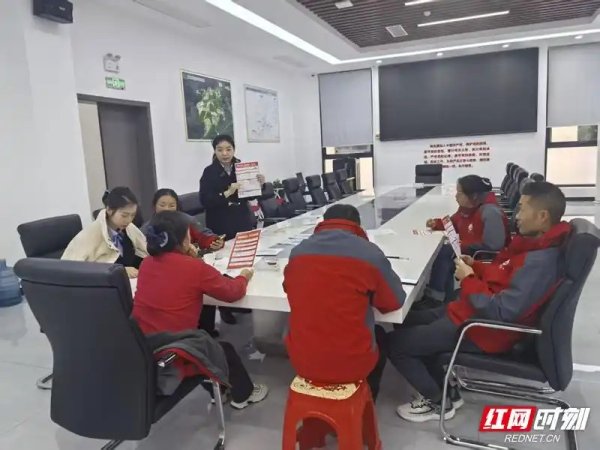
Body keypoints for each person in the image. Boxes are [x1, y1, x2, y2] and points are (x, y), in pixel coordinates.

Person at [388, 181, 570, 423]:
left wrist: (469, 279)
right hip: (469, 311)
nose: (516, 215)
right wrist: (476, 267)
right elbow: (504, 274)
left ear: (542, 216)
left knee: (395, 344)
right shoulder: (533, 247)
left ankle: (437, 402)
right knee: (406, 320)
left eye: (522, 209)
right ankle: (448, 390)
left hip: (482, 329)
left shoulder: (539, 262)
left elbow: (501, 311)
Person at [132, 210, 268, 409]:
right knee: (221, 350)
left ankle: (219, 392)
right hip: (174, 351)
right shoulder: (193, 268)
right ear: (183, 239)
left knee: (205, 342)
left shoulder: (146, 264)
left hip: (143, 346)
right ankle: (244, 395)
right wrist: (244, 276)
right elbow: (232, 292)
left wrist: (191, 259)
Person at [283, 204, 406, 401]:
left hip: (302, 360)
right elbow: (393, 301)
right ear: (357, 226)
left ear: (323, 223)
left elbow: (288, 288)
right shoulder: (369, 253)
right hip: (352, 363)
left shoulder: (298, 251)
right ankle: (366, 401)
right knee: (381, 335)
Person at [199, 134, 265, 325]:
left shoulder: (242, 167)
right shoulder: (209, 172)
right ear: (215, 151)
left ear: (234, 149)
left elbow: (251, 196)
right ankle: (225, 307)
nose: (225, 153)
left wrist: (260, 184)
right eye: (220, 150)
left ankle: (241, 299)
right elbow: (205, 201)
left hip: (241, 219)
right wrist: (227, 192)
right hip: (220, 221)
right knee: (224, 263)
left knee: (243, 259)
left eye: (228, 149)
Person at [423, 175, 510, 304]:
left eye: (459, 193)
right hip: (468, 249)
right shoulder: (468, 208)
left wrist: (462, 245)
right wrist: (436, 224)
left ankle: (435, 298)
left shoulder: (490, 212)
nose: (456, 196)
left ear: (473, 196)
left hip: (483, 256)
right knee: (445, 252)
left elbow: (494, 246)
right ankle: (442, 297)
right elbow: (454, 222)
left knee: (445, 252)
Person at [62, 187, 147, 278]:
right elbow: (71, 271)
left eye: (132, 215)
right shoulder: (89, 235)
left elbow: (144, 251)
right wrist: (120, 271)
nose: (129, 220)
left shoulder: (129, 228)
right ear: (109, 210)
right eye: (124, 215)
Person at [142, 188, 225, 253]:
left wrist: (215, 242)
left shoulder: (186, 220)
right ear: (154, 206)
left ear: (177, 207)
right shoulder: (147, 229)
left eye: (171, 206)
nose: (167, 209)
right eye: (162, 205)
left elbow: (204, 235)